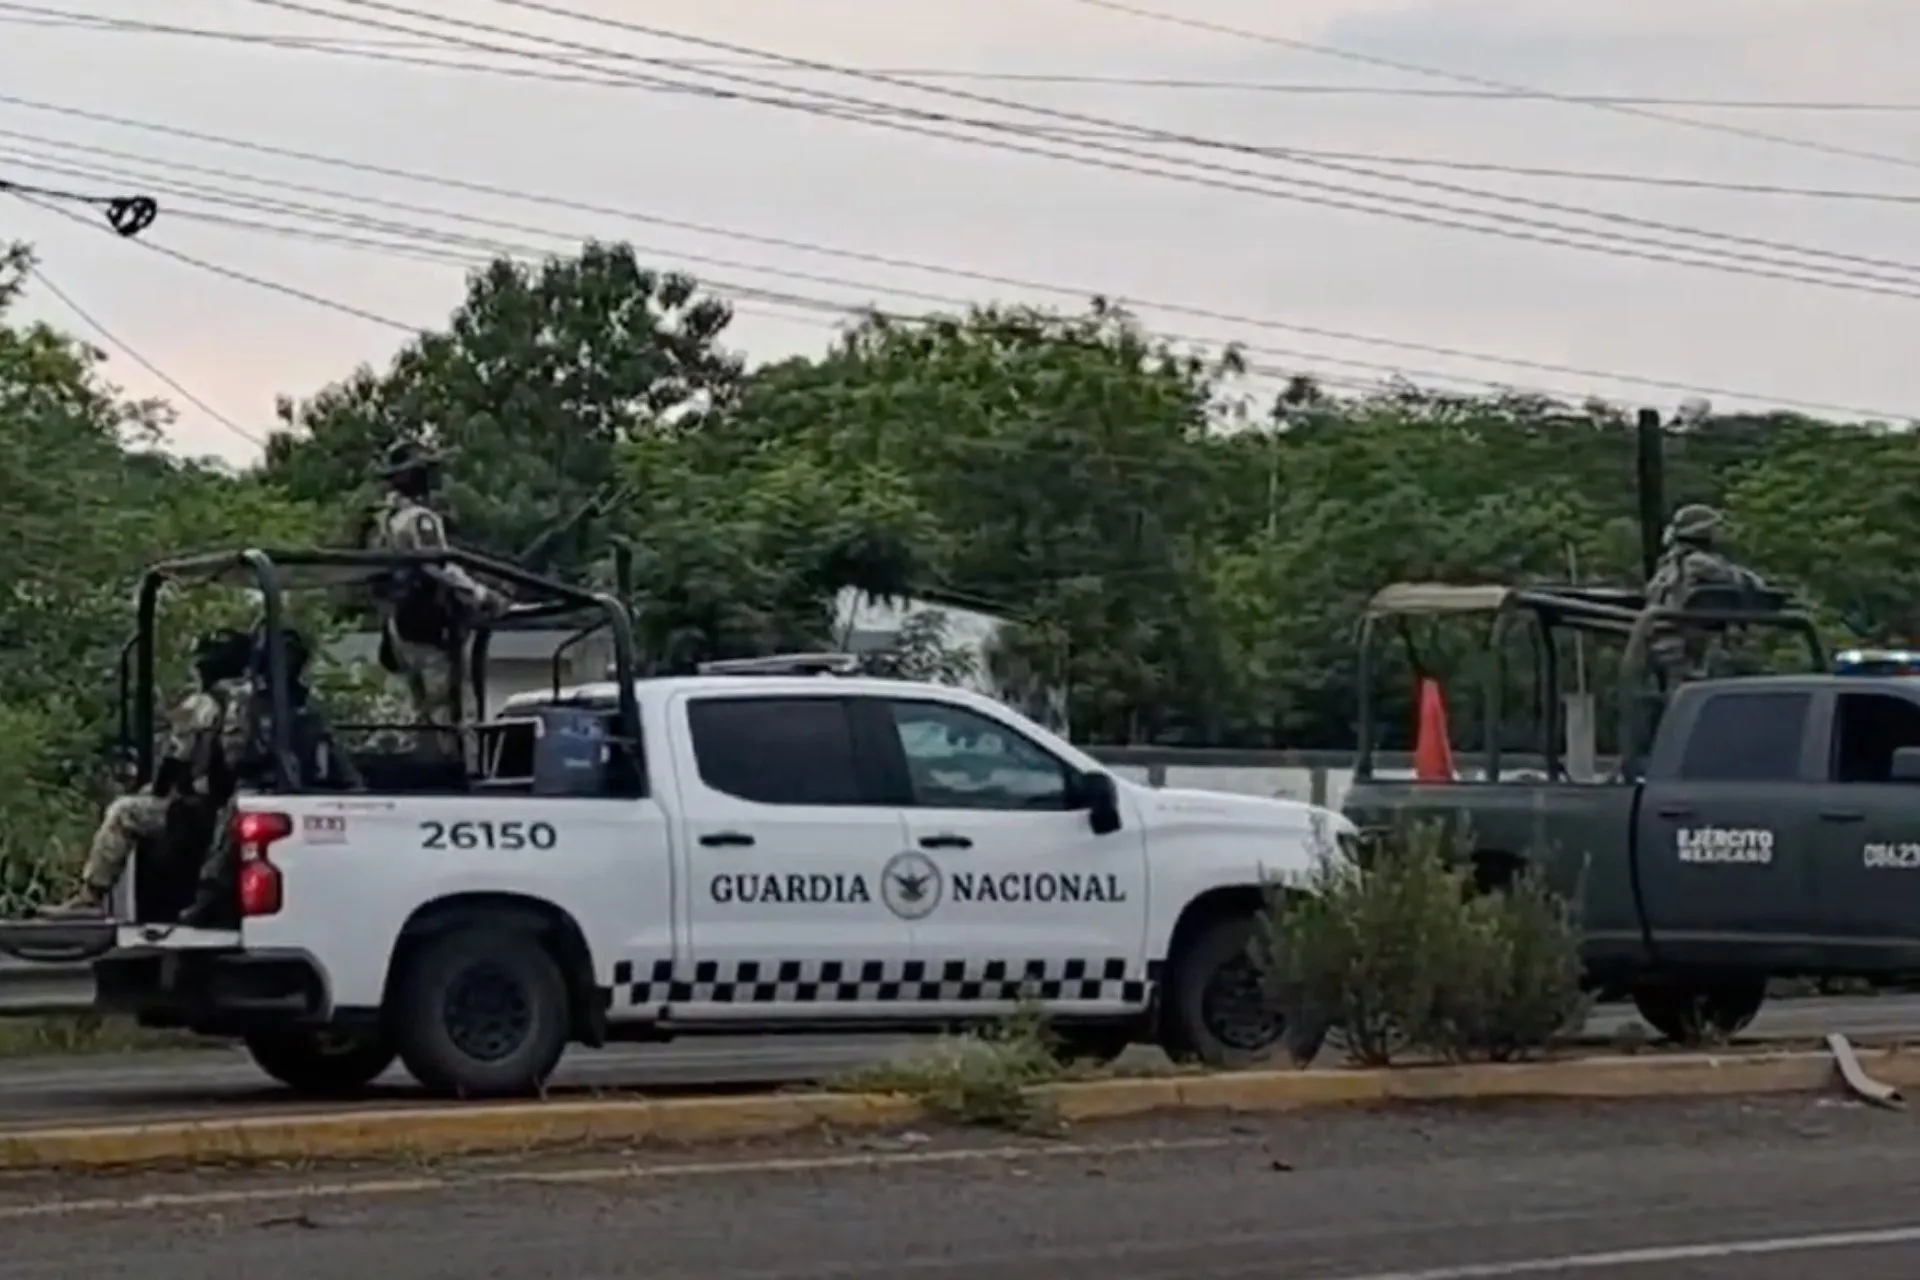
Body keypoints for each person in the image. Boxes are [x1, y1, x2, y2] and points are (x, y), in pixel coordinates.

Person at [43, 629, 253, 918]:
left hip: (205, 813)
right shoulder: (264, 698)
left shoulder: (203, 704)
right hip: (244, 804)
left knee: (124, 811)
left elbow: (175, 760)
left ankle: (90, 897)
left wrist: (156, 790)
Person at [176, 627, 362, 927]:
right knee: (242, 808)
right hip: (259, 785)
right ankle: (209, 896)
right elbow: (235, 757)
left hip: (305, 789)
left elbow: (330, 750)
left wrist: (354, 787)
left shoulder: (303, 706)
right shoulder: (247, 702)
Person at [362, 438, 508, 740]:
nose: (432, 476)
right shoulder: (419, 518)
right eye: (425, 470)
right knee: (451, 709)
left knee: (423, 712)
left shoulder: (383, 519)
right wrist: (482, 595)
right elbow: (440, 566)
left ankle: (429, 764)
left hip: (399, 625)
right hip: (428, 623)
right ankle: (458, 773)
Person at [1644, 504, 1764, 681]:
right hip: (1683, 649)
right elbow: (1741, 580)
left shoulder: (1667, 566)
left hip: (1665, 647)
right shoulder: (1699, 563)